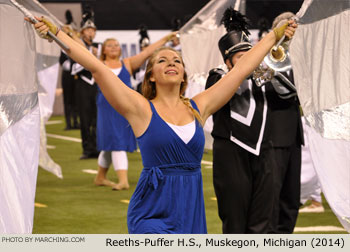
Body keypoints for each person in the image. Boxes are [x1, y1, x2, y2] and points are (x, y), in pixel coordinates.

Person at [28, 14, 296, 234]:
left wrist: (275, 35)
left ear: (183, 75)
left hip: (190, 210)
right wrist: (56, 34)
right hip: (152, 211)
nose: (171, 62)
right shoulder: (140, 109)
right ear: (151, 75)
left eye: (176, 60)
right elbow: (97, 68)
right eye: (162, 60)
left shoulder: (198, 107)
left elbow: (241, 69)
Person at [205, 8, 277, 233]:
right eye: (240, 57)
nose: (248, 61)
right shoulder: (217, 76)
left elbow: (289, 92)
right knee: (235, 219)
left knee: (262, 219)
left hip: (264, 151)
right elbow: (233, 81)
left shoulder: (265, 74)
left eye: (251, 54)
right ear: (228, 61)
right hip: (230, 151)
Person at [94, 33, 177, 190]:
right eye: (110, 45)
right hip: (106, 107)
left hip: (125, 106)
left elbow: (147, 53)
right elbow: (80, 50)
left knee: (114, 141)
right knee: (114, 142)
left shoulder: (127, 63)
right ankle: (122, 180)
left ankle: (101, 176)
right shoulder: (98, 64)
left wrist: (167, 38)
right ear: (103, 49)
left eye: (116, 45)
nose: (113, 47)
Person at [266, 12, 304, 234]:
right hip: (273, 135)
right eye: (287, 30)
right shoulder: (266, 56)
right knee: (272, 198)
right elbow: (266, 86)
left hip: (293, 136)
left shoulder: (302, 57)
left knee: (291, 198)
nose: (291, 34)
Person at [71, 11, 101, 159]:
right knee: (85, 117)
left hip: (97, 85)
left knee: (97, 117)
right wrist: (89, 57)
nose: (91, 32)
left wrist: (96, 56)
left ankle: (97, 146)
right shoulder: (77, 48)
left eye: (93, 30)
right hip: (82, 85)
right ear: (82, 33)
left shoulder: (100, 47)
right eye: (88, 30)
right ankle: (87, 148)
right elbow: (73, 68)